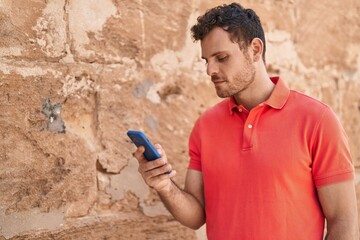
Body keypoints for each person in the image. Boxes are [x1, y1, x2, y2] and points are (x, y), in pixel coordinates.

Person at [133, 2, 359, 239]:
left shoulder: (317, 120)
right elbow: (196, 214)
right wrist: (165, 187)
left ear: (255, 49)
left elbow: (343, 222)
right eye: (206, 60)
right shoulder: (205, 126)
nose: (210, 70)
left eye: (221, 57)